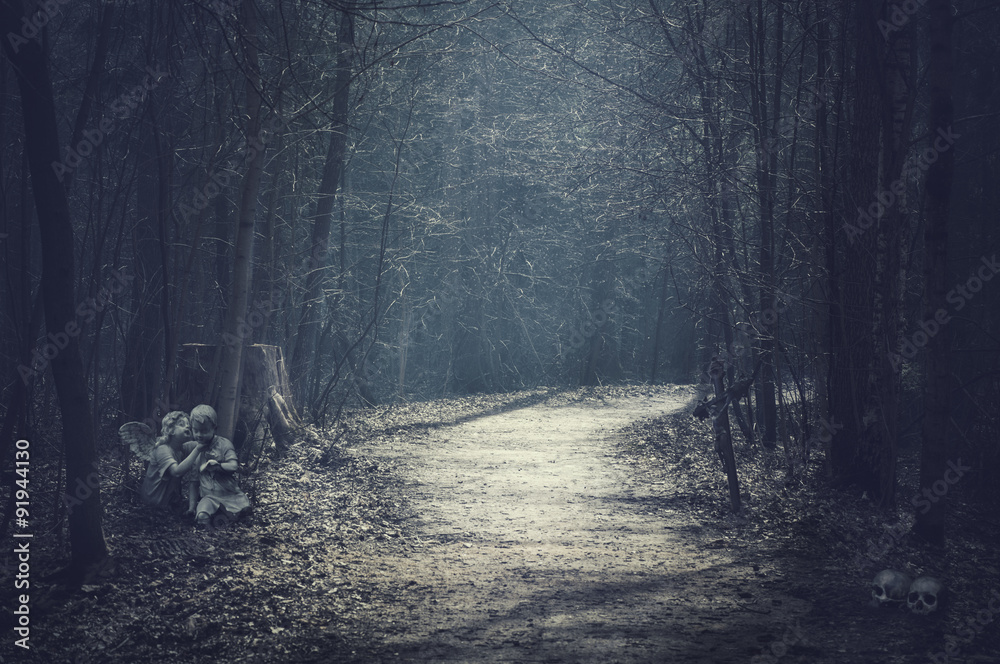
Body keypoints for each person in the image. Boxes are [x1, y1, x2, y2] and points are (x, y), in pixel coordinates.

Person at [188, 404, 251, 526]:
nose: (199, 435)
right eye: (196, 431)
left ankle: (233, 516)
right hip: (209, 498)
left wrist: (218, 466)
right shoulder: (195, 450)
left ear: (214, 428)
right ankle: (210, 527)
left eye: (204, 431)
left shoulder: (224, 444)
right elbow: (194, 482)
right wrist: (191, 507)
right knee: (202, 516)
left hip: (230, 494)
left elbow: (234, 466)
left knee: (242, 512)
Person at [140, 411, 206, 511]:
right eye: (182, 424)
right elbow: (176, 472)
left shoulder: (181, 448)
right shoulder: (163, 449)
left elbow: (203, 443)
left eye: (188, 425)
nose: (187, 427)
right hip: (154, 502)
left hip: (168, 502)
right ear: (170, 430)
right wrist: (197, 450)